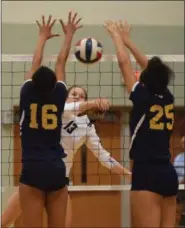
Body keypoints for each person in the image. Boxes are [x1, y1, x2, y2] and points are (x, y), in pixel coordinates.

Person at [1, 85, 131, 228]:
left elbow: (104, 158)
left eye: (81, 96)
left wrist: (128, 174)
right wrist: (94, 102)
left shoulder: (87, 126)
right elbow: (71, 108)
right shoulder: (58, 110)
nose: (77, 96)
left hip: (59, 182)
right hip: (35, 177)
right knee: (4, 222)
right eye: (74, 93)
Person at [104, 20, 178, 227]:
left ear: (145, 79)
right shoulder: (168, 96)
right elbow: (151, 68)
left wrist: (117, 38)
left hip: (146, 172)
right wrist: (128, 41)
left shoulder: (142, 96)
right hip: (168, 172)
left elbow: (124, 64)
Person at [18, 12, 82, 228]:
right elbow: (61, 63)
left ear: (33, 82)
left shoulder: (27, 93)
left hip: (32, 169)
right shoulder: (59, 95)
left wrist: (42, 37)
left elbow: (35, 61)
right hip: (56, 168)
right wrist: (69, 35)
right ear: (54, 84)